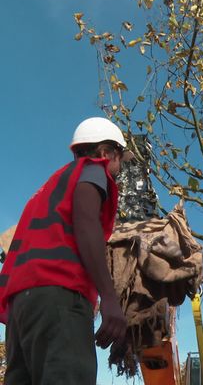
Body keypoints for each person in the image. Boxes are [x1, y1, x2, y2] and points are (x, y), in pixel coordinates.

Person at [0, 117, 134, 385]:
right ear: (106, 153)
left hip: (20, 307)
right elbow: (86, 224)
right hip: (59, 296)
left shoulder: (47, 190)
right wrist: (108, 298)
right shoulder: (95, 169)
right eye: (119, 159)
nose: (119, 169)